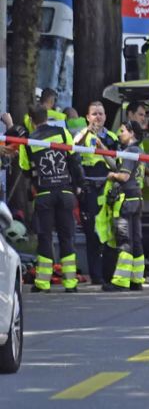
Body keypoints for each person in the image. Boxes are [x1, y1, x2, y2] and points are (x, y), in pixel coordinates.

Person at [19, 104, 83, 292]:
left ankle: (43, 283)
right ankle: (70, 283)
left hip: (45, 193)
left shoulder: (29, 141)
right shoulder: (63, 134)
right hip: (65, 192)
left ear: (31, 121)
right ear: (47, 117)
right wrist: (79, 185)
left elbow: (25, 170)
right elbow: (74, 160)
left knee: (45, 237)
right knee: (67, 237)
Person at [73, 101, 117, 285]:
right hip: (89, 189)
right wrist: (87, 131)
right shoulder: (81, 135)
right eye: (94, 114)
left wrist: (102, 148)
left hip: (107, 188)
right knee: (92, 234)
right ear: (87, 117)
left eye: (101, 113)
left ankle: (109, 273)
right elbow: (73, 147)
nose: (98, 117)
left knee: (109, 233)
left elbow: (117, 165)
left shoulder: (112, 137)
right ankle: (96, 275)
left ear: (106, 116)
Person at [103, 121, 146, 291]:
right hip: (136, 200)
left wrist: (112, 176)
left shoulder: (130, 152)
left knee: (125, 240)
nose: (119, 134)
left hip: (126, 201)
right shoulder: (138, 151)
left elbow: (124, 176)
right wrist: (102, 150)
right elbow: (118, 165)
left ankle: (121, 281)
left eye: (122, 131)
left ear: (132, 133)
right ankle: (136, 280)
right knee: (136, 239)